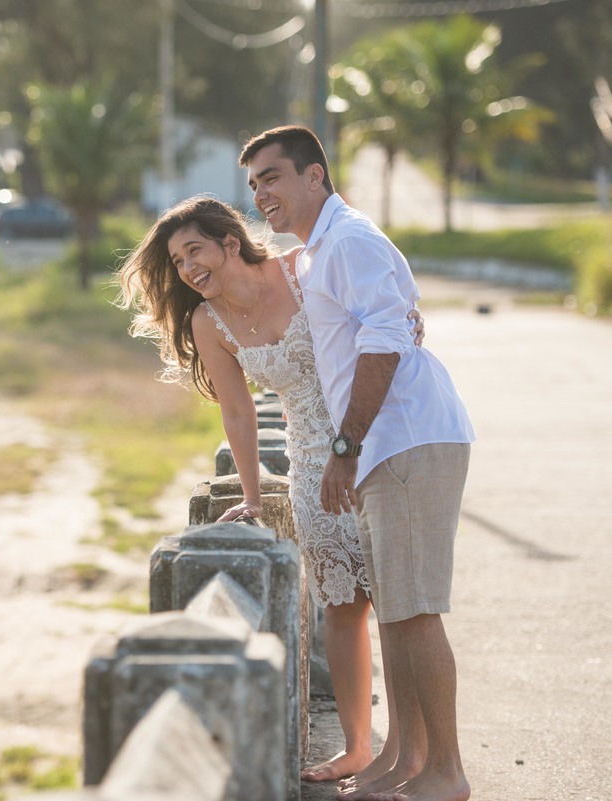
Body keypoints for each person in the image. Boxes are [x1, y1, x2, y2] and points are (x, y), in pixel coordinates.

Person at [115, 195, 424, 784]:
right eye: (178, 261)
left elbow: (377, 293)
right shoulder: (211, 323)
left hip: (376, 441)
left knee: (399, 605)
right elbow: (237, 411)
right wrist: (255, 499)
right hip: (311, 466)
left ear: (230, 242)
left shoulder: (302, 267)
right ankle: (359, 746)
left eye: (194, 250)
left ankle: (412, 749)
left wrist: (411, 311)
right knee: (342, 608)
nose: (187, 269)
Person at [239, 125, 476, 801]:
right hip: (385, 444)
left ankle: (447, 771)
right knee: (398, 611)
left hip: (404, 437)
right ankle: (404, 760)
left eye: (273, 177)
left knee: (416, 610)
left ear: (315, 176)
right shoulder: (315, 255)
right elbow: (395, 316)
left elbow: (384, 336)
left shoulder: (347, 239)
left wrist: (343, 447)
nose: (261, 194)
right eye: (254, 183)